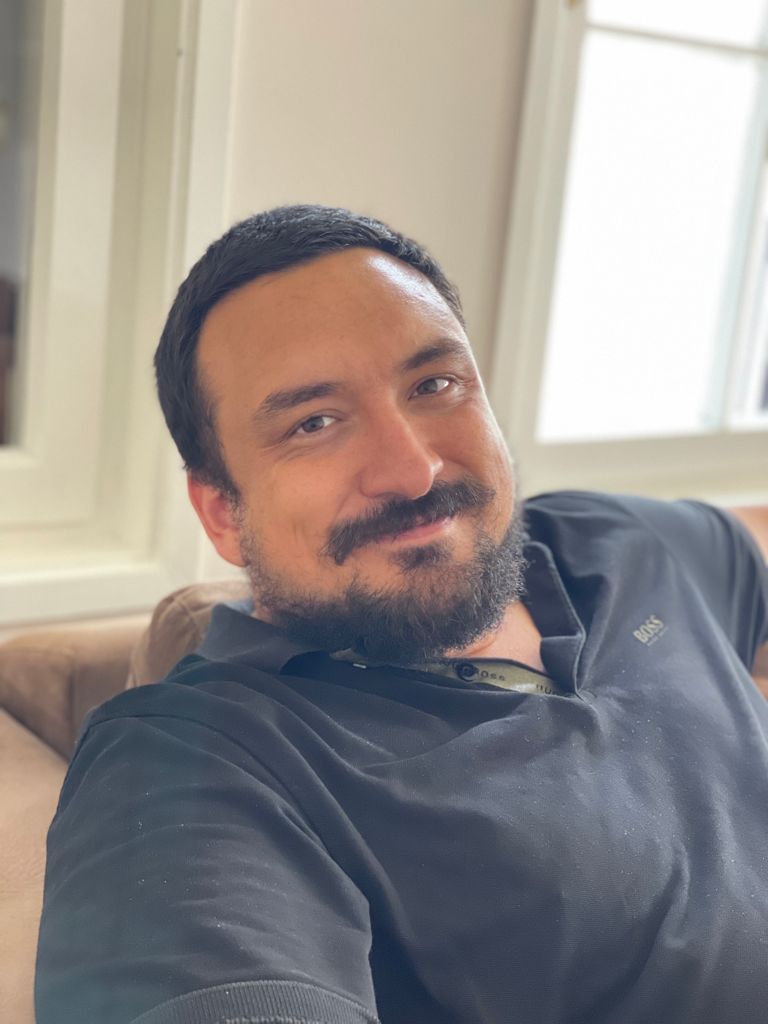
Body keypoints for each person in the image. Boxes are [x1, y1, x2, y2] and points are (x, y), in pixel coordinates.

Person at [36, 205, 768, 1024]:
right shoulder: (190, 761)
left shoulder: (622, 543)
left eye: (434, 385)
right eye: (314, 423)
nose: (412, 469)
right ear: (221, 513)